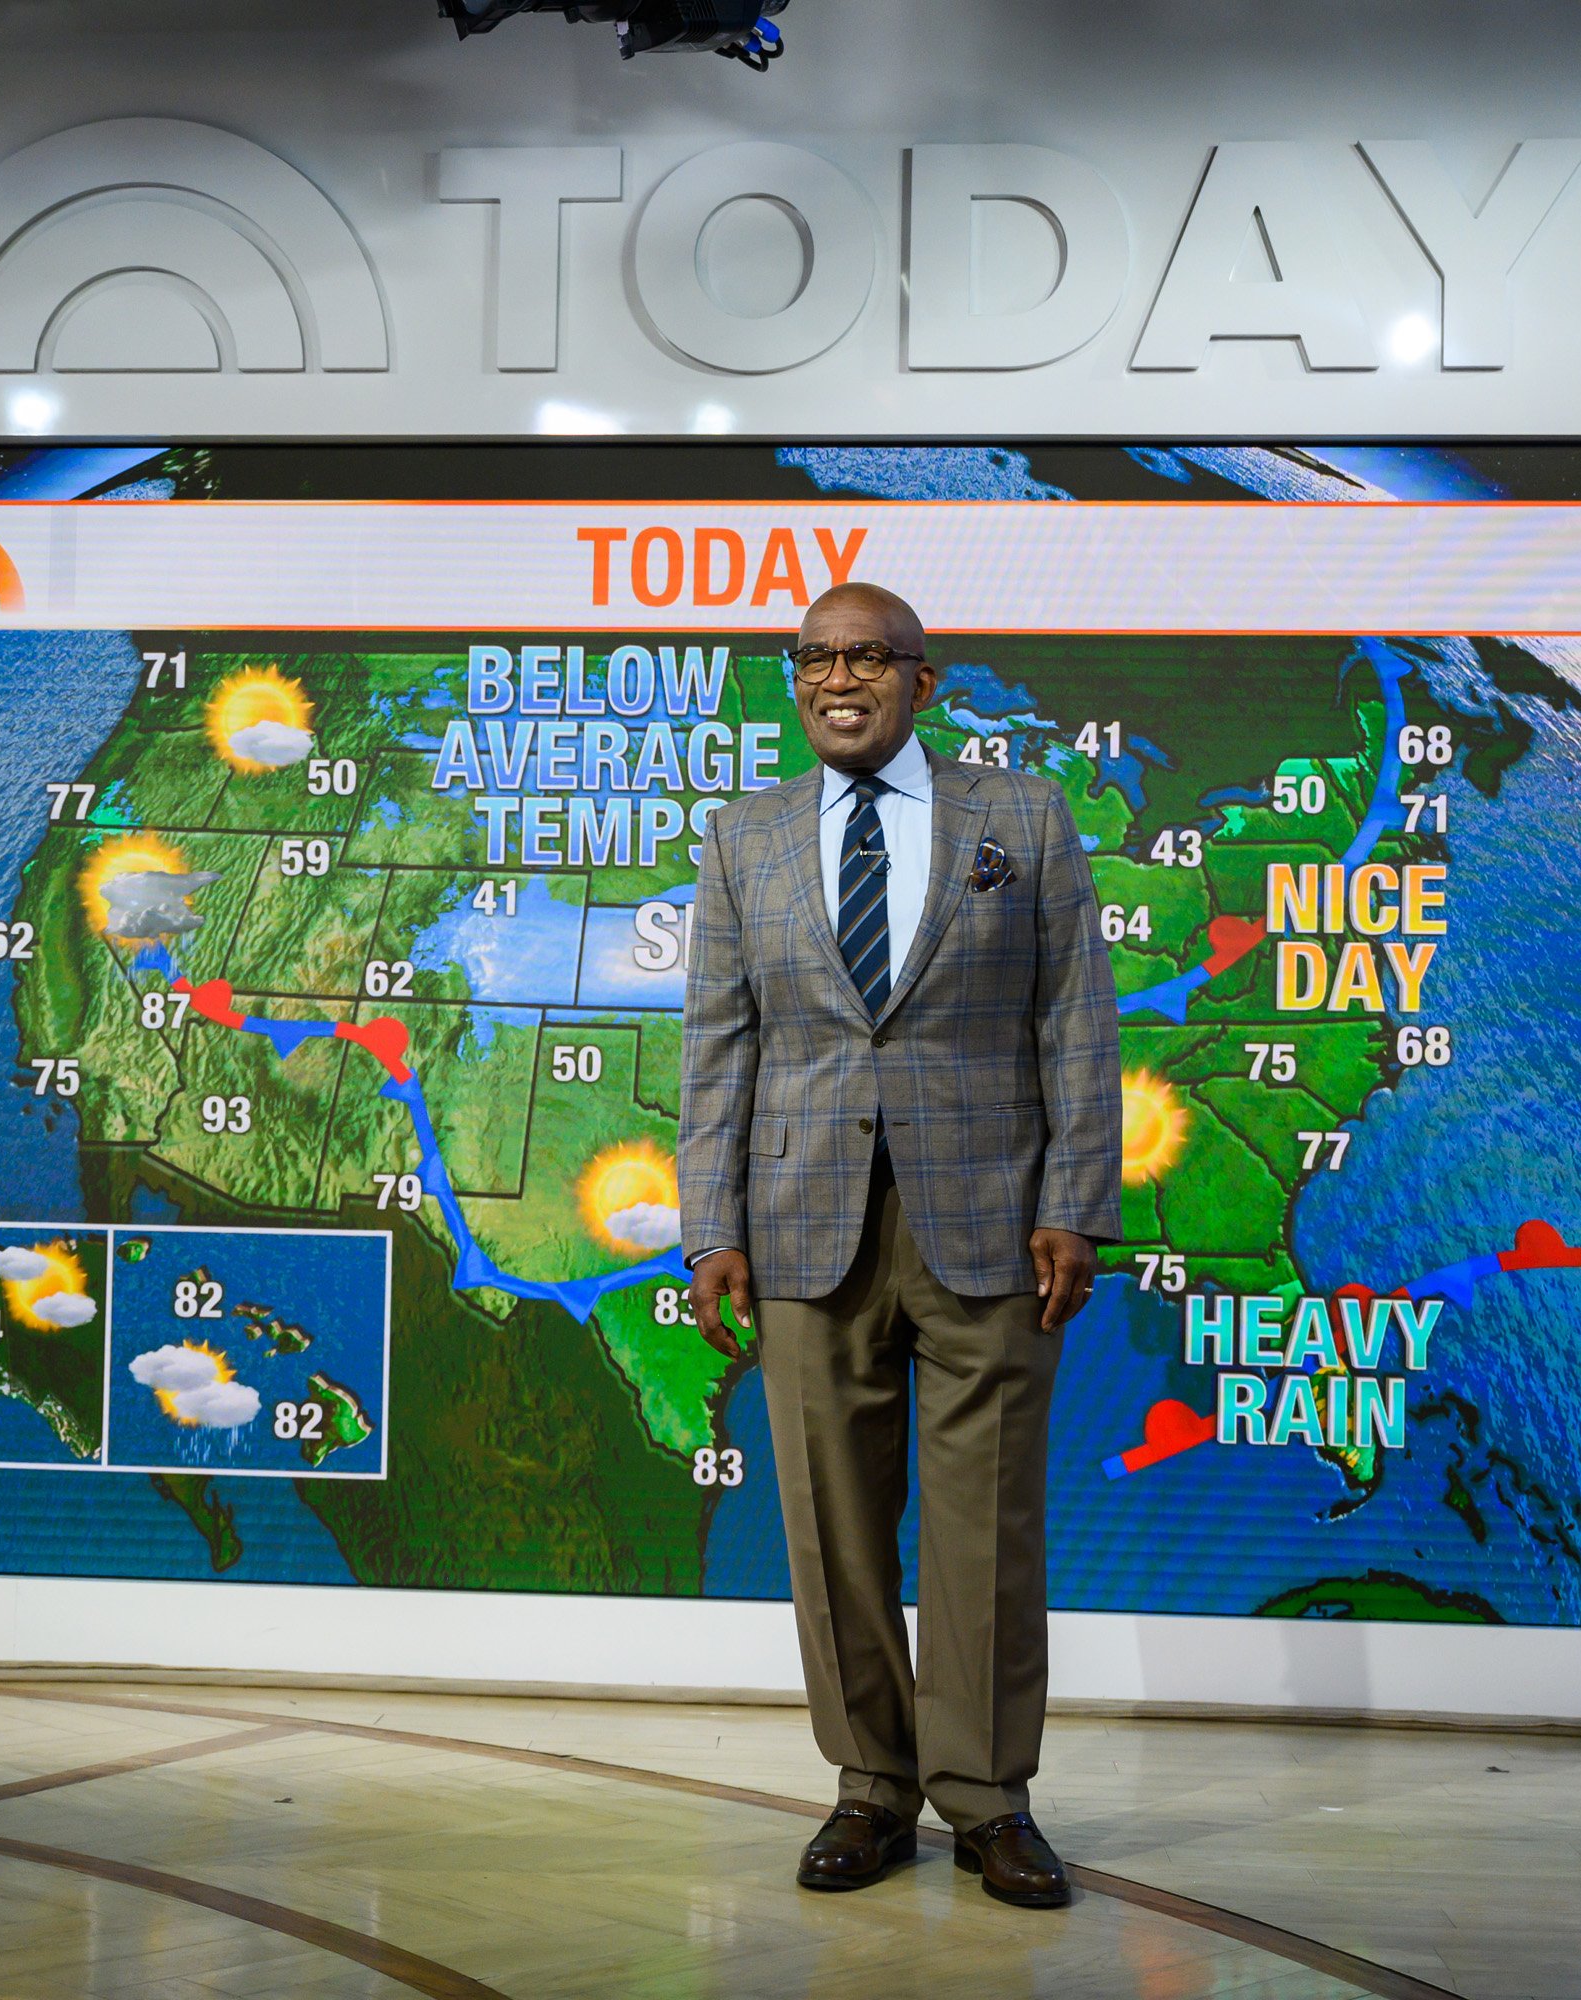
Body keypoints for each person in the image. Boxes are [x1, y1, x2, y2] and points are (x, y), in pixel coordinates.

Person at [679, 580, 1120, 1909]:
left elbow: (1076, 1024)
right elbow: (718, 1049)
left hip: (992, 1222)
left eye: (868, 654)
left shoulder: (1022, 817)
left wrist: (1077, 1201)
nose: (838, 677)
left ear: (925, 680)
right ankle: (870, 1787)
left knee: (988, 1524)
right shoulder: (742, 837)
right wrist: (711, 1231)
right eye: (812, 658)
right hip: (803, 1223)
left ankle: (987, 1797)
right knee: (832, 1524)